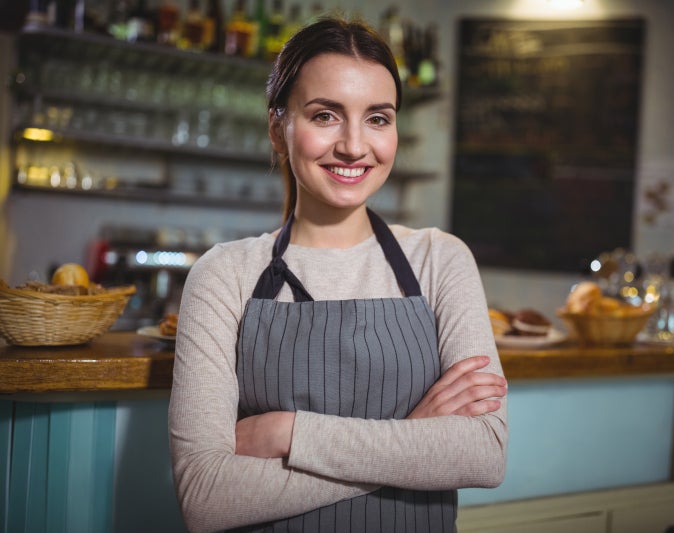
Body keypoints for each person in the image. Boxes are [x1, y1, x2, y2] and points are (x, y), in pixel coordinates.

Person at [168, 15, 508, 533]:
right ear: (278, 129)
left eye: (378, 118)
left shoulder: (440, 259)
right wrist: (412, 438)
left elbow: (483, 454)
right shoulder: (225, 275)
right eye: (325, 115)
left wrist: (290, 433)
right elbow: (207, 498)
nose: (354, 145)